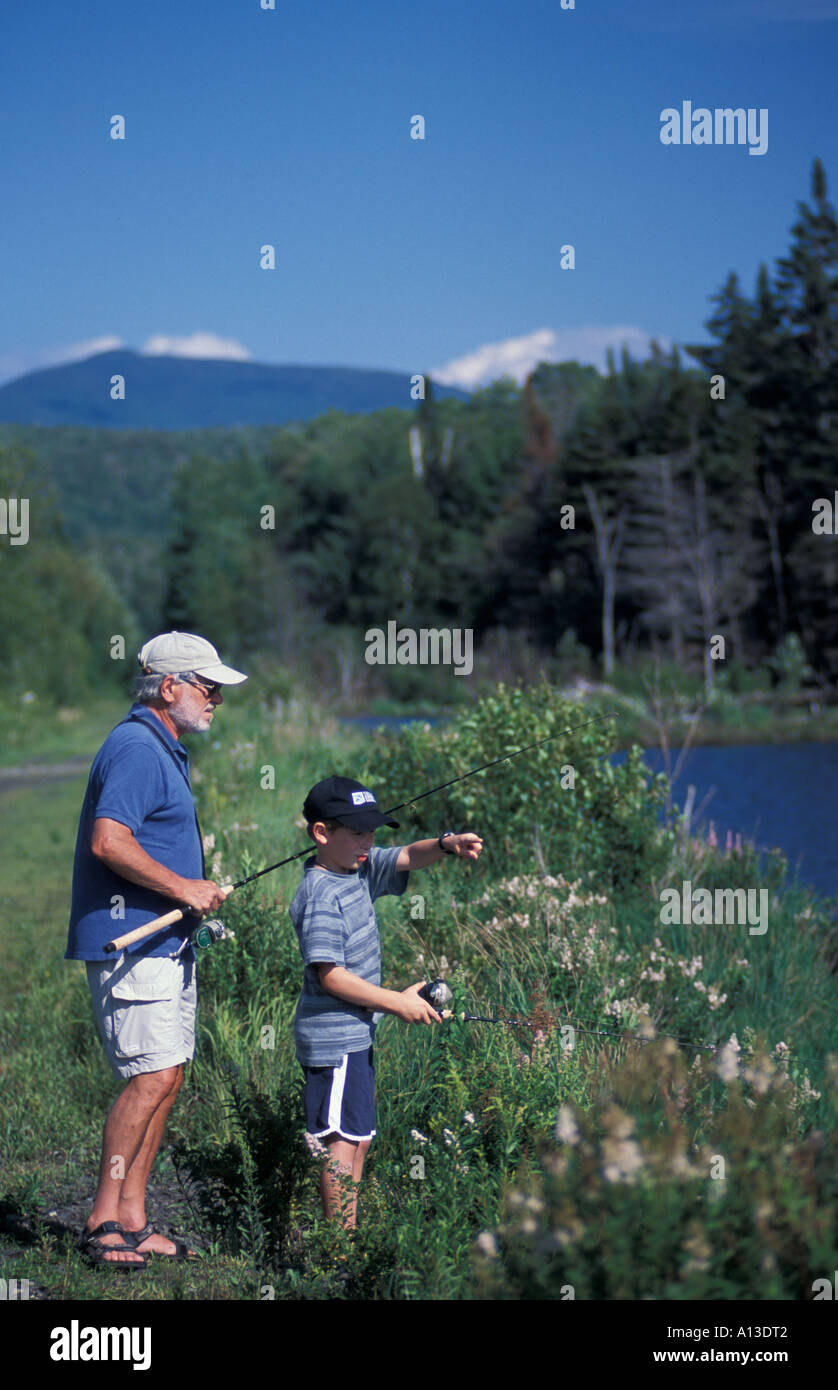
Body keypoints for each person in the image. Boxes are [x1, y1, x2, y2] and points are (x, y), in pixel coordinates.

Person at [65, 631, 247, 1270]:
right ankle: (101, 1219)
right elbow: (108, 841)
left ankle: (135, 1218)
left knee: (165, 1078)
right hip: (131, 944)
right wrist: (185, 887)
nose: (216, 698)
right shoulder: (139, 747)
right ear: (168, 687)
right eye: (206, 686)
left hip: (164, 943)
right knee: (149, 1079)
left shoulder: (162, 748)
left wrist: (186, 896)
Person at [290, 774, 483, 1229]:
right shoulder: (320, 893)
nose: (368, 842)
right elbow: (331, 976)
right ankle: (338, 1253)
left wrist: (446, 843)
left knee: (359, 1139)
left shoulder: (355, 867)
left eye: (372, 832)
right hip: (333, 1038)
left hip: (356, 1034)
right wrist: (397, 1002)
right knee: (340, 1142)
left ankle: (347, 1241)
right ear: (321, 833)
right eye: (357, 832)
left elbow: (407, 856)